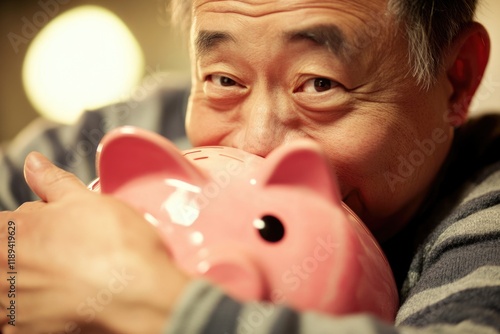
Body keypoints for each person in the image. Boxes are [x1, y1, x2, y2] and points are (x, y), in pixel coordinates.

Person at [1, 0, 499, 333]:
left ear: (456, 80)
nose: (258, 143)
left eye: (320, 84)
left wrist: (147, 301)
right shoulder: (136, 120)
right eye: (222, 78)